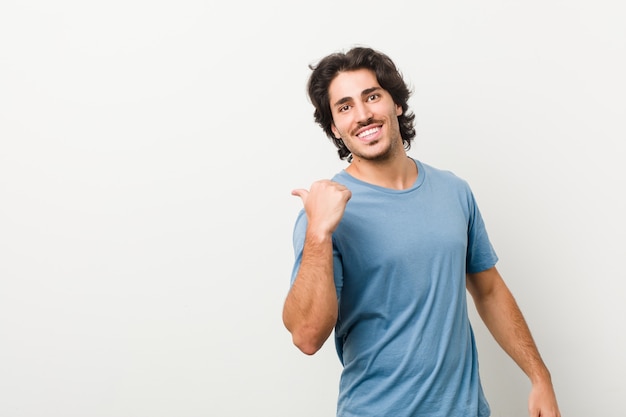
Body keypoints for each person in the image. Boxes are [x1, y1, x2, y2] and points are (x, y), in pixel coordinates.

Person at [281, 46, 561, 417]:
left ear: (396, 103)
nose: (363, 115)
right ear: (334, 127)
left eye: (372, 96)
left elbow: (489, 289)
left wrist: (539, 376)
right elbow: (306, 336)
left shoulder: (453, 191)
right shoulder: (326, 212)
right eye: (345, 107)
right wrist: (319, 232)